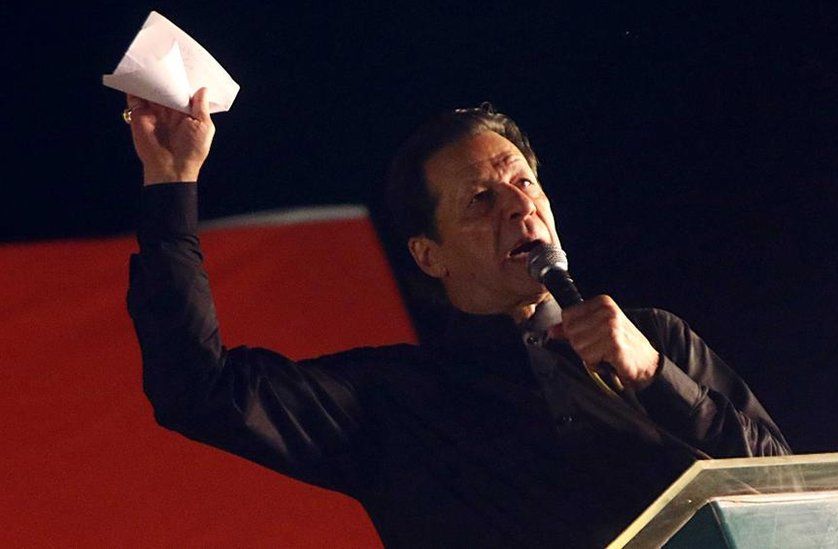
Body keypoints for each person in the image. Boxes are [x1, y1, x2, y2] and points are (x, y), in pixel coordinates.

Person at [125, 88, 791, 548]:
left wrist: (659, 378)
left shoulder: (656, 342)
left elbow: (790, 491)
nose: (517, 207)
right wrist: (169, 183)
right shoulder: (389, 401)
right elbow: (198, 388)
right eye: (479, 198)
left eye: (522, 181)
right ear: (429, 254)